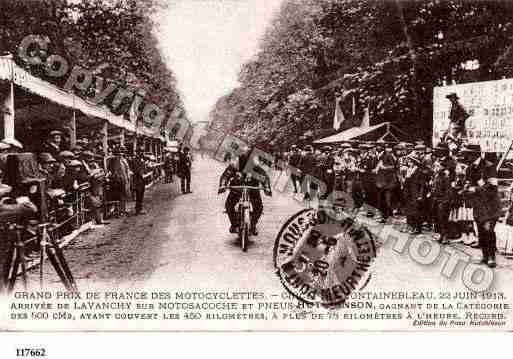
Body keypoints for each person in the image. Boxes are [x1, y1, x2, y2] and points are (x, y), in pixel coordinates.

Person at [218, 149, 272, 235]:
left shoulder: (256, 167)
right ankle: (234, 224)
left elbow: (264, 177)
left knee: (259, 207)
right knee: (228, 204)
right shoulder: (235, 165)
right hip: (237, 189)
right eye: (245, 158)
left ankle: (253, 225)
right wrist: (223, 185)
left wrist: (267, 187)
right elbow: (226, 175)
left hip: (252, 189)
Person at [106, 146, 131, 216]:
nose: (120, 155)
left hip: (121, 180)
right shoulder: (112, 160)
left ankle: (121, 210)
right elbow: (110, 171)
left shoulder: (123, 161)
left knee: (122, 196)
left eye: (120, 154)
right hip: (117, 181)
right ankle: (119, 210)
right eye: (118, 154)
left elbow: (126, 171)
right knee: (118, 196)